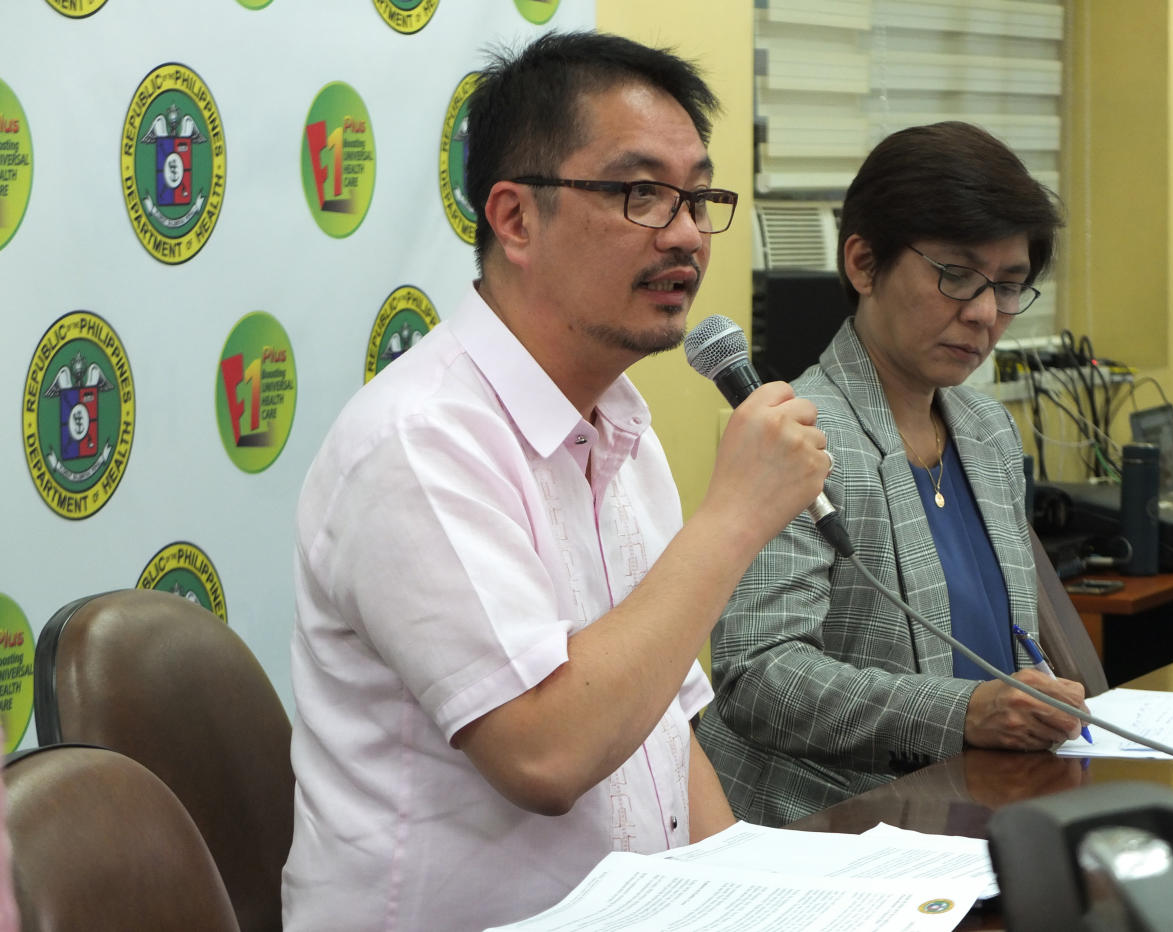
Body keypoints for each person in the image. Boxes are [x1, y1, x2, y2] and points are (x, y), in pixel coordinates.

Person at [280, 31, 832, 931]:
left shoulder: (617, 425)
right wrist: (733, 518)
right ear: (515, 219)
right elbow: (546, 752)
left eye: (697, 197)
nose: (688, 234)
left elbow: (661, 730)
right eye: (642, 193)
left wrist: (746, 900)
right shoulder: (420, 441)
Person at [696, 121, 1091, 827]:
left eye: (1007, 287)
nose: (982, 315)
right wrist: (964, 711)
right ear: (863, 262)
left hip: (984, 814)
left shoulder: (988, 431)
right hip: (838, 833)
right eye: (956, 275)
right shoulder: (798, 439)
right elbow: (758, 678)